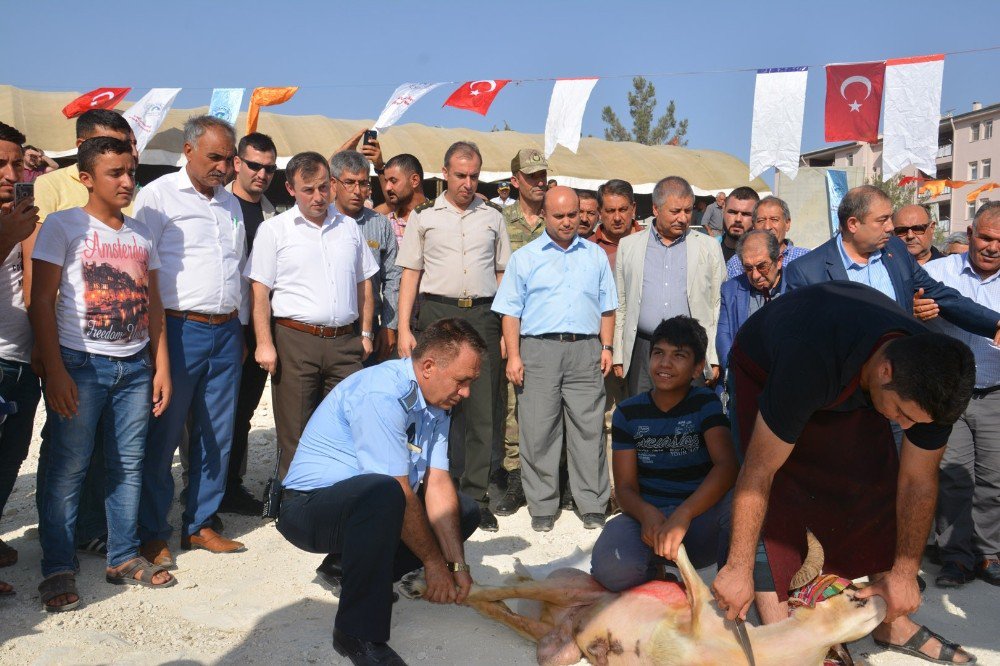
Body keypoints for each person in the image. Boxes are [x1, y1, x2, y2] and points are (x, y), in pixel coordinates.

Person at [712, 281, 979, 665]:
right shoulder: (809, 360)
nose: (906, 427)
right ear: (885, 370)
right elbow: (759, 473)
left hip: (853, 368)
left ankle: (893, 622)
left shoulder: (933, 379)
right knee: (781, 496)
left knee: (876, 481)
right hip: (771, 366)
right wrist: (737, 570)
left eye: (915, 421)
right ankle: (786, 634)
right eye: (902, 413)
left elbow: (917, 481)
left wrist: (905, 574)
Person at [277, 318, 484, 666]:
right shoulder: (381, 393)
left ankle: (344, 568)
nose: (466, 393)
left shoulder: (437, 399)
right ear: (429, 367)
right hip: (309, 507)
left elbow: (436, 481)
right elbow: (399, 492)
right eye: (462, 381)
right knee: (385, 492)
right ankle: (357, 634)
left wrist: (456, 564)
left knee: (463, 512)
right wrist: (434, 564)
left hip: (366, 504)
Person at [30, 136, 174, 611]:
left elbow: (153, 308)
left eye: (132, 171)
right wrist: (54, 371)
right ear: (86, 178)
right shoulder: (63, 225)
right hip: (81, 364)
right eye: (116, 173)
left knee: (126, 464)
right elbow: (41, 302)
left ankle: (123, 555)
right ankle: (56, 565)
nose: (128, 181)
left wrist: (161, 368)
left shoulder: (140, 235)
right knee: (67, 467)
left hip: (134, 368)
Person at [135, 115, 248, 565]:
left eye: (228, 158)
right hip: (178, 331)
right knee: (162, 436)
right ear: (188, 151)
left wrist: (237, 330)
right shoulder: (157, 197)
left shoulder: (231, 204)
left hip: (225, 332)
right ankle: (152, 531)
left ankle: (199, 523)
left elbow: (236, 270)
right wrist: (154, 343)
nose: (223, 167)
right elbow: (143, 272)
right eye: (214, 157)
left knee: (216, 434)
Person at [27, 109, 139, 561]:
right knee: (66, 452)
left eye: (128, 159)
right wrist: (48, 351)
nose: (126, 174)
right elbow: (40, 283)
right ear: (85, 155)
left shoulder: (131, 217)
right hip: (70, 342)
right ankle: (58, 542)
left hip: (123, 351)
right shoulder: (53, 193)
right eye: (108, 149)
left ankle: (94, 531)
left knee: (108, 454)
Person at [395, 141, 511, 532]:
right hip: (437, 313)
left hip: (482, 314)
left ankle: (475, 497)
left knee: (481, 411)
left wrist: (507, 332)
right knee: (434, 407)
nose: (467, 183)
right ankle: (431, 488)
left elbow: (503, 276)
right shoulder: (423, 217)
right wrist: (403, 329)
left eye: (474, 175)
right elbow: (410, 272)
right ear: (444, 173)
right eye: (460, 175)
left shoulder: (492, 217)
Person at [247, 150, 377, 480]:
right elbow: (260, 290)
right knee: (295, 430)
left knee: (347, 425)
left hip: (345, 342)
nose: (318, 197)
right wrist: (265, 344)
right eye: (308, 190)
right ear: (291, 189)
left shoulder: (349, 228)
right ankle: (293, 500)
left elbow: (365, 283)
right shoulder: (275, 230)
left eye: (323, 187)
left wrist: (365, 334)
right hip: (295, 341)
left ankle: (338, 497)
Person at [492, 186, 617, 531]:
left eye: (572, 215)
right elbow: (510, 313)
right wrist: (514, 356)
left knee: (589, 427)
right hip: (538, 350)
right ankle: (543, 505)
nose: (566, 222)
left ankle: (592, 501)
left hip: (586, 349)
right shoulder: (525, 258)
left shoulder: (594, 256)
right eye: (559, 216)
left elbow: (607, 307)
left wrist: (606, 347)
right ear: (544, 215)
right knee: (538, 428)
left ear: (582, 214)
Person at [591, 316, 737, 591]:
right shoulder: (628, 412)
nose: (665, 363)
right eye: (659, 353)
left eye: (678, 356)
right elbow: (624, 487)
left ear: (697, 368)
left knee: (739, 508)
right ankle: (660, 575)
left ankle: (727, 582)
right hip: (650, 522)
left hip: (698, 518)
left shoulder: (705, 403)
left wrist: (684, 514)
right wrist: (646, 514)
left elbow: (727, 466)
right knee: (611, 569)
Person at [785, 185, 1000, 340]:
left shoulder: (896, 251)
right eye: (882, 220)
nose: (890, 227)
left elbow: (943, 296)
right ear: (853, 224)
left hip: (897, 380)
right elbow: (803, 337)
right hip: (844, 391)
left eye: (890, 218)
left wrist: (995, 323)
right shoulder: (806, 272)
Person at [925, 202, 1000, 589]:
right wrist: (917, 309)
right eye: (986, 237)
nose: (992, 247)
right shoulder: (937, 273)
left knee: (993, 480)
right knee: (953, 477)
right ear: (970, 234)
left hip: (995, 396)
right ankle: (956, 556)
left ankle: (988, 553)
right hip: (949, 394)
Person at [613, 176, 725, 396]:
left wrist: (712, 355)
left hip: (691, 347)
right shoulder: (629, 245)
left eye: (687, 211)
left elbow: (717, 305)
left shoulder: (709, 247)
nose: (683, 218)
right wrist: (619, 353)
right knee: (643, 419)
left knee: (688, 422)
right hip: (643, 348)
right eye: (675, 211)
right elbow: (621, 304)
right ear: (656, 209)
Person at [220, 131, 278, 516]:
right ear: (237, 163)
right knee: (212, 414)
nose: (261, 174)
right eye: (254, 165)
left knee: (242, 412)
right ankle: (204, 487)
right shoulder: (219, 207)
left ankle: (229, 486)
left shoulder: (275, 213)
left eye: (269, 168)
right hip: (223, 324)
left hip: (259, 326)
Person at [493, 148, 548, 517]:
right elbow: (496, 277)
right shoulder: (499, 220)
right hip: (513, 324)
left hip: (549, 325)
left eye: (543, 175)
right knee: (513, 402)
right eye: (532, 177)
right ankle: (514, 476)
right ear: (516, 181)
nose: (539, 183)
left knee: (548, 404)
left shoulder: (557, 220)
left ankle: (546, 474)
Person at [0, 121, 41, 597]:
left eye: (17, 161)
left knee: (10, 461)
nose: (11, 172)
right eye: (1, 163)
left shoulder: (21, 216)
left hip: (22, 362)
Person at [329, 149, 401, 363]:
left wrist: (389, 326)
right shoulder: (321, 222)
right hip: (330, 327)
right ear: (333, 184)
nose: (358, 191)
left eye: (364, 183)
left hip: (370, 327)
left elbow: (393, 278)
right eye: (349, 183)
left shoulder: (379, 224)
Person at [716, 230, 784, 371]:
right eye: (748, 268)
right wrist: (736, 372)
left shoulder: (796, 285)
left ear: (778, 261)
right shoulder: (730, 290)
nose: (755, 275)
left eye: (762, 266)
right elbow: (724, 336)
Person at [724, 196, 808, 279]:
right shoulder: (737, 263)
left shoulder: (805, 258)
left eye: (774, 219)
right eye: (761, 220)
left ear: (787, 223)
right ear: (753, 225)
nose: (767, 227)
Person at [587, 179, 641, 272]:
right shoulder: (587, 248)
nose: (617, 218)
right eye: (610, 211)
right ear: (600, 212)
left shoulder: (650, 242)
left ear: (633, 209)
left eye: (623, 210)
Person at [378, 153, 426, 242]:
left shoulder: (440, 218)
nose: (387, 187)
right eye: (386, 181)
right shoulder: (384, 224)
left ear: (414, 180)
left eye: (393, 181)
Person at [719, 187, 759, 263]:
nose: (738, 219)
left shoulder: (763, 254)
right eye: (732, 212)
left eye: (745, 214)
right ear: (723, 211)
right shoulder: (708, 248)